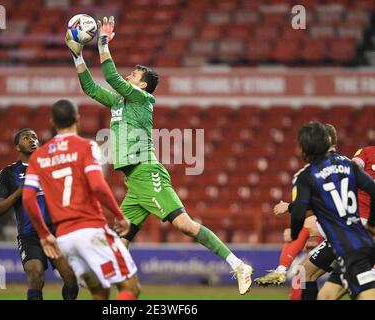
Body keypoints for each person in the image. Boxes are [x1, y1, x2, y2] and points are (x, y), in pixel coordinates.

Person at [65, 16, 253, 294]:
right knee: (120, 241)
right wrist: (76, 55)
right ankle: (117, 289)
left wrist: (103, 42)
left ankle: (238, 264)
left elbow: (110, 77)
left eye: (135, 75)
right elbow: (90, 88)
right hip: (134, 182)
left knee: (185, 226)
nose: (130, 75)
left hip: (146, 171)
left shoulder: (143, 99)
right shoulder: (119, 101)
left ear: (142, 86)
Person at [22, 99, 140, 300]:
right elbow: (97, 186)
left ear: (52, 122)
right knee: (130, 288)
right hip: (91, 230)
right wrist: (120, 216)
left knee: (100, 292)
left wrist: (43, 233)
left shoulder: (38, 157)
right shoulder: (86, 146)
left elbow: (27, 199)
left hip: (65, 239)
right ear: (78, 119)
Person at [289, 122, 375, 300]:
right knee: (326, 296)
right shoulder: (349, 166)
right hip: (360, 240)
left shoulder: (306, 176)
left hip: (350, 245)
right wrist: (372, 225)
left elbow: (299, 213)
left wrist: (294, 234)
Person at [0, 128, 78, 300]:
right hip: (30, 235)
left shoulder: (52, 166)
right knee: (35, 273)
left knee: (70, 276)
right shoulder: (8, 173)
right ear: (17, 147)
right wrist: (18, 193)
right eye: (26, 137)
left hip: (57, 232)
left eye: (34, 137)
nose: (32, 140)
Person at [255, 124, 339, 300]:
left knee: (304, 227)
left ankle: (280, 270)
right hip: (349, 232)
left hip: (350, 233)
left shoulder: (327, 165)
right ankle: (281, 271)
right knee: (303, 272)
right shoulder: (347, 164)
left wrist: (290, 207)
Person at [316, 144, 375, 300]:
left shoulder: (366, 153)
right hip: (361, 237)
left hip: (361, 235)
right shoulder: (366, 153)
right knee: (326, 296)